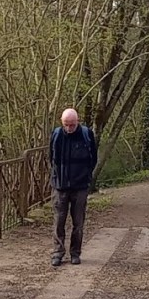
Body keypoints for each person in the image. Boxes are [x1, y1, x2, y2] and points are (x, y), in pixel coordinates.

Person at [49, 108, 98, 267]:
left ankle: (75, 253)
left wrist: (85, 176)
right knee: (58, 221)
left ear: (78, 121)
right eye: (66, 125)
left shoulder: (86, 134)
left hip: (80, 185)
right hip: (60, 185)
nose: (69, 128)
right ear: (61, 123)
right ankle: (58, 252)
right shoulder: (56, 135)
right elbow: (51, 157)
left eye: (72, 125)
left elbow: (93, 158)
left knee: (78, 222)